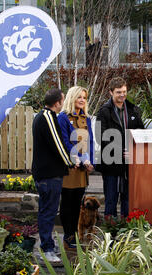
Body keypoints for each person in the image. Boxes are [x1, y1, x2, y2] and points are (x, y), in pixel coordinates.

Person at [32, 88, 74, 264]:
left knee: (46, 210)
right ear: (57, 103)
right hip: (49, 174)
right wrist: (70, 162)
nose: (63, 104)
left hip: (46, 172)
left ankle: (48, 243)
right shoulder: (48, 117)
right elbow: (58, 144)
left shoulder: (42, 116)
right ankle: (47, 249)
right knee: (48, 212)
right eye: (62, 101)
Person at [95, 77, 144, 218]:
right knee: (110, 199)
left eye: (124, 91)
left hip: (129, 164)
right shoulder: (104, 111)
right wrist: (118, 150)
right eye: (118, 92)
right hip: (111, 163)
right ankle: (110, 233)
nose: (122, 95)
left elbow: (141, 133)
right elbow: (100, 136)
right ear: (111, 92)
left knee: (127, 199)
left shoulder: (133, 109)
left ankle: (126, 231)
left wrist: (133, 152)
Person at [57, 86, 95, 250]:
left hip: (83, 168)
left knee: (77, 204)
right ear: (72, 98)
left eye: (84, 97)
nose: (82, 100)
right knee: (68, 204)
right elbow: (65, 141)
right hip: (70, 167)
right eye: (79, 97)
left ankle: (73, 236)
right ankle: (68, 236)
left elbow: (90, 141)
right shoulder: (63, 117)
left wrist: (90, 161)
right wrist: (77, 159)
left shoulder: (86, 118)